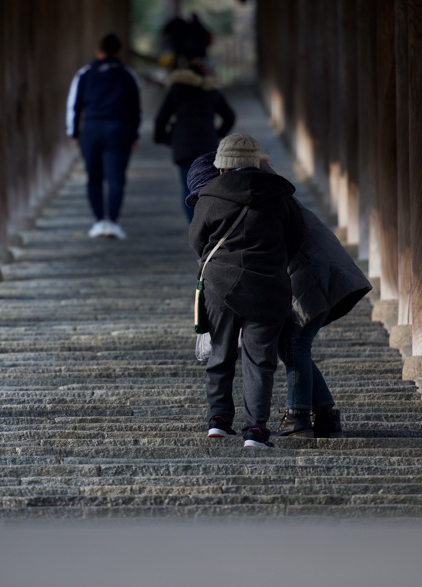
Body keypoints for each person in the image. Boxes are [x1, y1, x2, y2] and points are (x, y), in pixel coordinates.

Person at [186, 151, 372, 438]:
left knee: (294, 342)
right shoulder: (262, 197)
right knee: (290, 343)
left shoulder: (260, 204)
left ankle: (299, 415)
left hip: (313, 272)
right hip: (319, 269)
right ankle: (323, 413)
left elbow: (289, 246)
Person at [188, 134, 304, 448]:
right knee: (260, 360)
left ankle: (219, 421)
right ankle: (255, 430)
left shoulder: (210, 195)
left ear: (222, 167)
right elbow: (296, 238)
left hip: (220, 286)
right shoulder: (281, 195)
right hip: (269, 288)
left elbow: (197, 241)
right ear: (256, 162)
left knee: (221, 353)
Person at [65, 33, 141, 239]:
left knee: (93, 177)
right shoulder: (127, 74)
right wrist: (134, 134)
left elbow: (74, 105)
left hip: (92, 128)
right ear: (118, 52)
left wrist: (73, 132)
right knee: (116, 178)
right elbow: (135, 108)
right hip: (119, 129)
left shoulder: (85, 73)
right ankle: (113, 222)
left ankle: (99, 221)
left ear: (98, 52)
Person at [153, 58, 235, 222]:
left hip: (183, 145)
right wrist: (217, 133)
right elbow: (229, 116)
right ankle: (210, 224)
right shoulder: (211, 90)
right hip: (207, 142)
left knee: (188, 186)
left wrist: (165, 138)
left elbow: (161, 119)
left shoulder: (176, 90)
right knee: (210, 186)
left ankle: (194, 227)